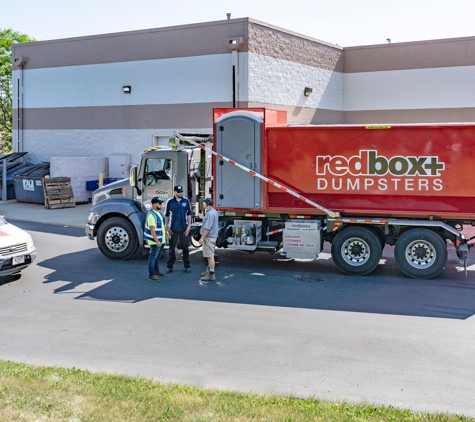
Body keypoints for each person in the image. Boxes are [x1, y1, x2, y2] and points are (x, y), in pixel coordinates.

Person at [165, 185, 192, 273]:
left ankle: (187, 266)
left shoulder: (186, 201)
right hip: (173, 229)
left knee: (185, 248)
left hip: (184, 229)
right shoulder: (170, 202)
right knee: (172, 248)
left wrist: (189, 226)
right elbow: (167, 215)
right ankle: (170, 267)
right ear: (174, 192)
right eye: (179, 192)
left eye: (181, 191)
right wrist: (167, 226)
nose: (180, 193)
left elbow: (189, 214)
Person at [144, 197, 166, 282]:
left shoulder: (158, 213)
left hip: (161, 240)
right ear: (154, 204)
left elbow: (161, 226)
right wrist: (157, 241)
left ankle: (156, 271)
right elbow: (152, 229)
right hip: (155, 241)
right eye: (159, 203)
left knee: (157, 257)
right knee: (153, 257)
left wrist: (166, 235)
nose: (161, 205)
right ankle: (151, 275)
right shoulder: (151, 215)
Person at [198, 197, 219, 281]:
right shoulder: (213, 212)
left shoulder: (210, 214)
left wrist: (202, 238)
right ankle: (209, 271)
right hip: (212, 237)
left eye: (204, 203)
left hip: (209, 237)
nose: (203, 204)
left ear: (206, 204)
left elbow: (207, 228)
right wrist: (203, 218)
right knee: (209, 254)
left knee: (210, 256)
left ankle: (211, 274)